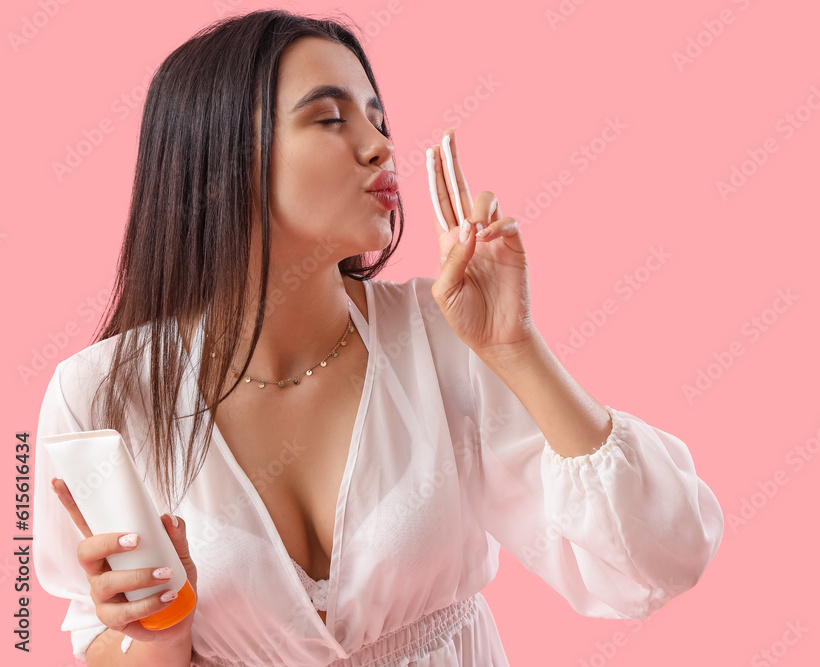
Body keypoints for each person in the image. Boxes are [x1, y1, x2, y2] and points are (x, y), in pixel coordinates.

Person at [33, 9, 724, 666]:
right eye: (330, 119)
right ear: (219, 169)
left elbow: (662, 557)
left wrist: (515, 348)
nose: (381, 147)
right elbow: (94, 632)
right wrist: (159, 632)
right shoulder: (98, 394)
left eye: (378, 117)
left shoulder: (442, 334)